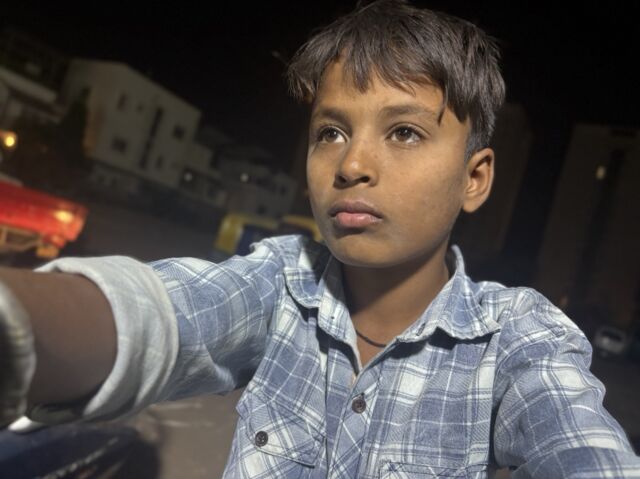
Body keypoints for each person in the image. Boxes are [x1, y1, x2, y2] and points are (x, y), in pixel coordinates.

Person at [1, 1, 639, 477]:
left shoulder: (517, 337)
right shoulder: (280, 284)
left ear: (474, 179)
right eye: (330, 132)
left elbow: (580, 447)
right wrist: (18, 319)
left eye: (405, 132)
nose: (351, 164)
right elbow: (159, 314)